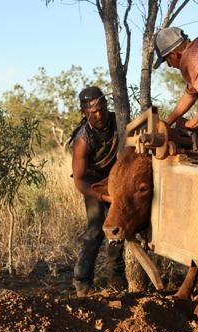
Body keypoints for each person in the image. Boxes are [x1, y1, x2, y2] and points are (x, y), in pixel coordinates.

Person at [69, 86, 125, 297]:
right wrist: (103, 197)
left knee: (120, 229)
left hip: (118, 180)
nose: (99, 115)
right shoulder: (83, 140)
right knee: (95, 230)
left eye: (102, 109)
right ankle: (82, 283)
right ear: (85, 113)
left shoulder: (119, 120)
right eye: (93, 112)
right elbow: (80, 182)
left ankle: (116, 281)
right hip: (93, 185)